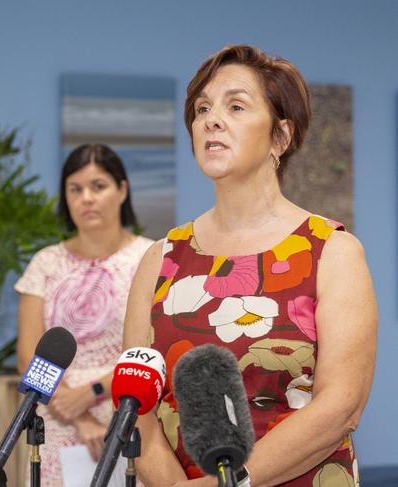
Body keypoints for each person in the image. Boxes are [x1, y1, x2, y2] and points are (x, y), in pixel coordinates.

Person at [123, 45, 377, 486]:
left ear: (280, 137)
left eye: (235, 105)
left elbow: (342, 406)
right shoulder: (159, 259)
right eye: (202, 108)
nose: (210, 120)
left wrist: (226, 483)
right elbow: (135, 407)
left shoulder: (333, 251)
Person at [15, 143, 153, 486]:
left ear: (122, 190)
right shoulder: (46, 263)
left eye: (98, 186)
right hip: (56, 420)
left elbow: (153, 351)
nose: (86, 198)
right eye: (75, 189)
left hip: (128, 416)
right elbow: (28, 357)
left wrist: (89, 394)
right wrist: (78, 417)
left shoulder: (150, 257)